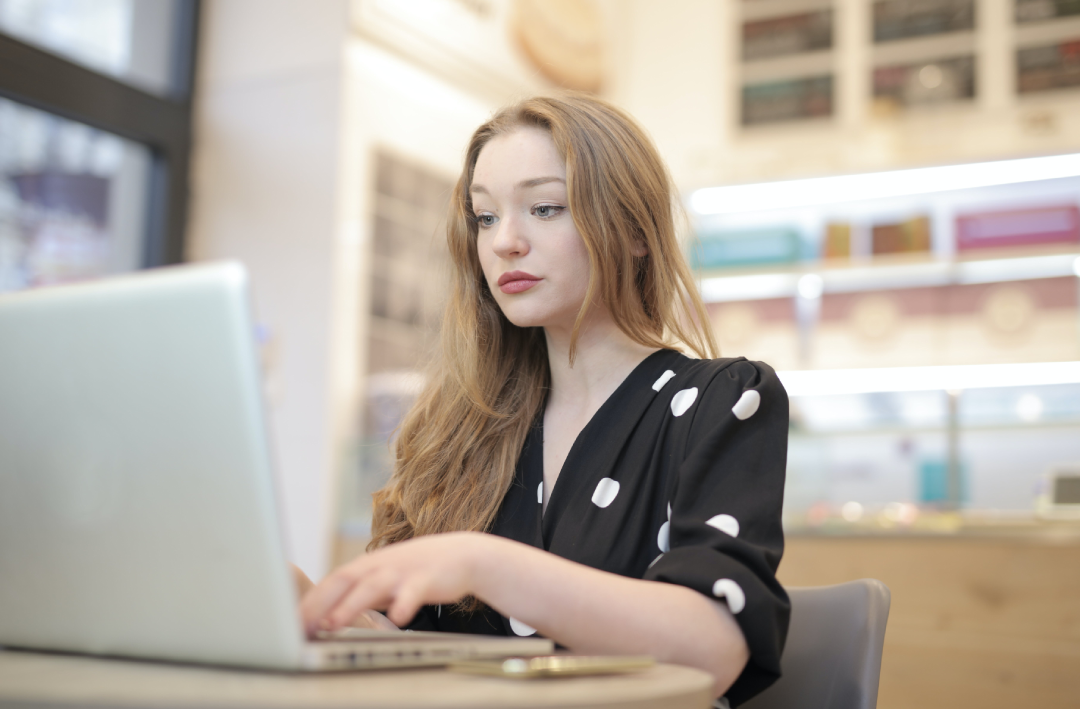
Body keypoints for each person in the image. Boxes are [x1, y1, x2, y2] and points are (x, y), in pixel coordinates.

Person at [299, 93, 790, 706]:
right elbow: (414, 653)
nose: (505, 241)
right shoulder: (458, 429)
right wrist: (307, 608)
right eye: (484, 217)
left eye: (545, 207)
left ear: (636, 232)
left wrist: (486, 566)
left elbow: (713, 649)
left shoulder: (720, 400)